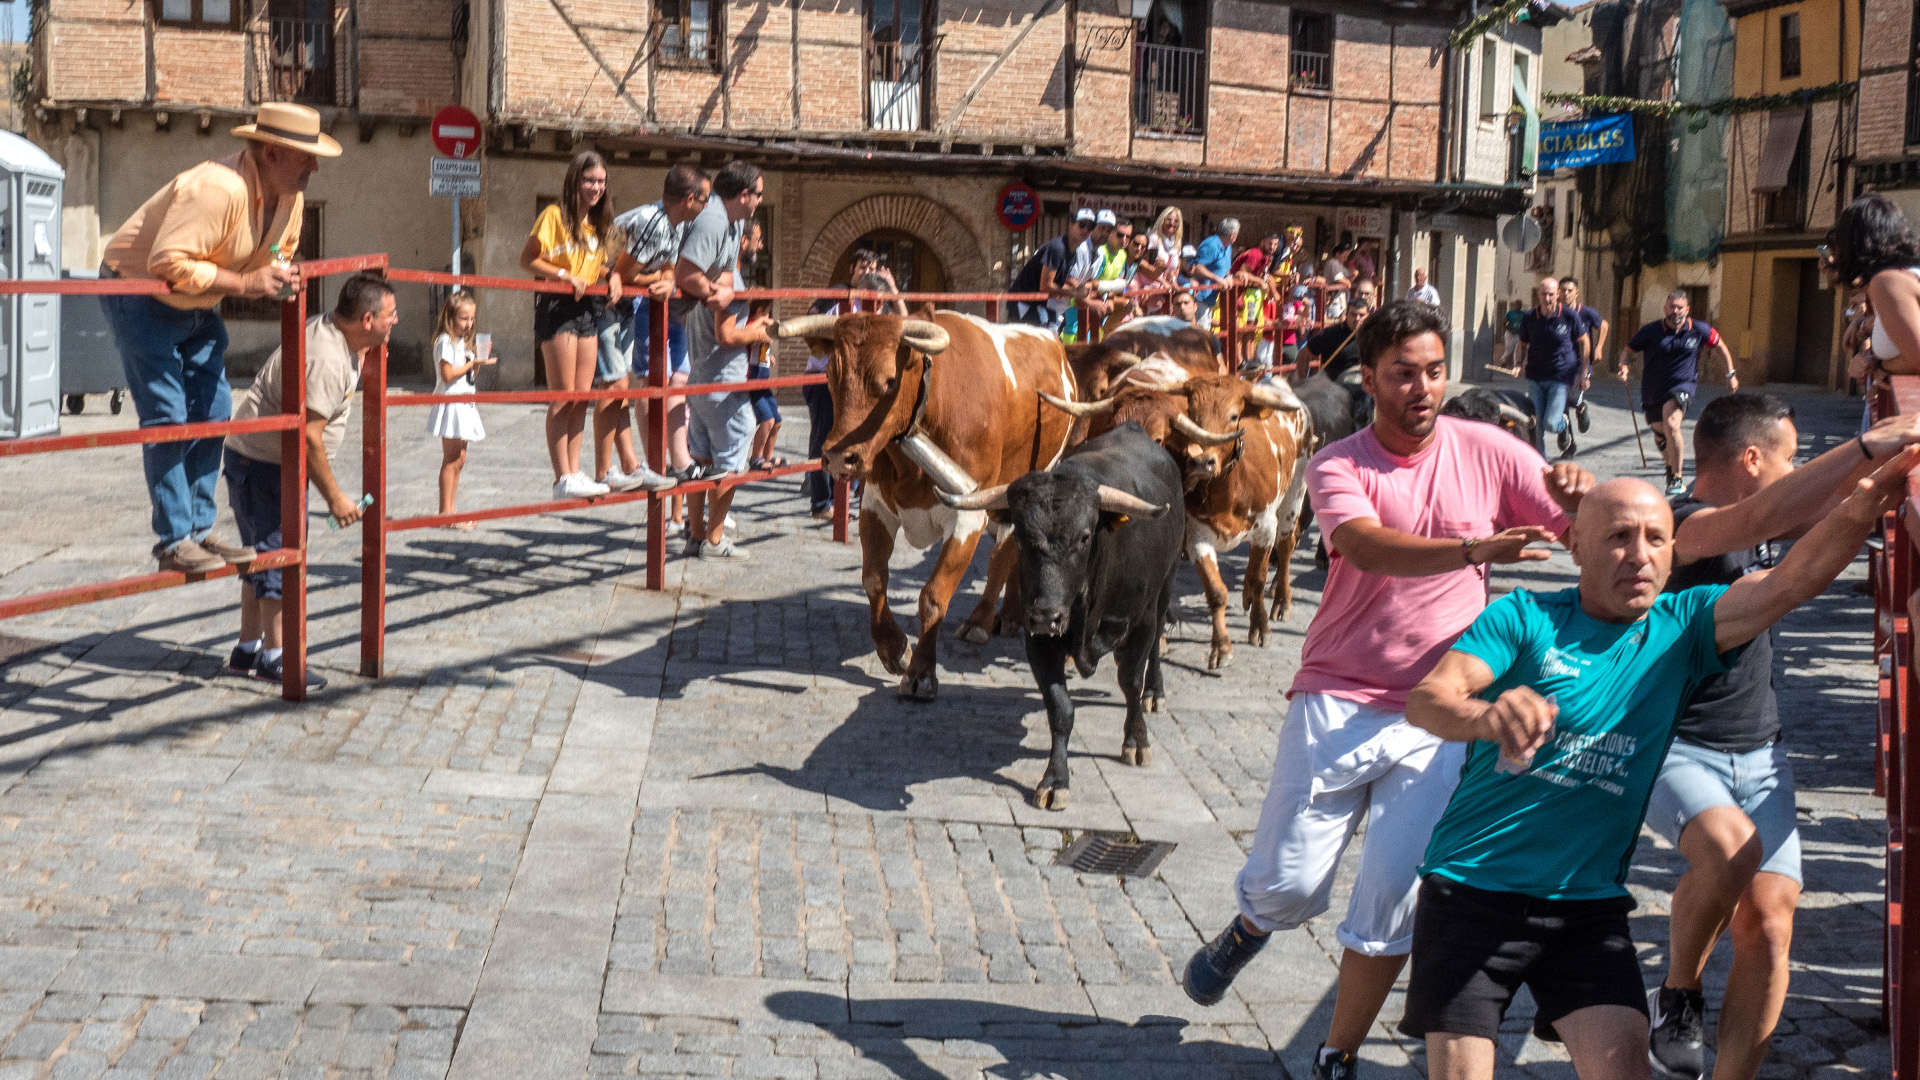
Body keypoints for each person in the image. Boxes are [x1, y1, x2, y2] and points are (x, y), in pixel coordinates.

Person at [1397, 451, 1915, 1079]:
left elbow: (1789, 583)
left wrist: (1859, 509)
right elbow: (1428, 701)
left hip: (1584, 907)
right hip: (1473, 893)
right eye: (1617, 537)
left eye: (1655, 539)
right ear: (1578, 548)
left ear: (1674, 554)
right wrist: (1486, 717)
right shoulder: (1525, 617)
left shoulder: (1684, 626)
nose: (1638, 554)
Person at [1182, 301, 1593, 1080]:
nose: (1422, 388)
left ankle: (1335, 1052)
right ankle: (1250, 926)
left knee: (1395, 893)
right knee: (1291, 884)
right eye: (1403, 374)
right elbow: (1366, 548)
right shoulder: (1340, 464)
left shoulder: (1492, 451)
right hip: (1339, 693)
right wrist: (1474, 547)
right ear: (1369, 380)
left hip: (1442, 708)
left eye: (1435, 372)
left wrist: (1580, 488)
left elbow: (1581, 530)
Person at [1637, 396, 1920, 1079]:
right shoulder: (1677, 523)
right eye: (1790, 456)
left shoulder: (1771, 520)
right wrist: (1866, 447)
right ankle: (1678, 991)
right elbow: (1758, 517)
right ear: (1753, 459)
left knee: (1769, 924)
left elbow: (1836, 521)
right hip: (1674, 746)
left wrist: (1893, 475)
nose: (1798, 471)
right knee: (1727, 853)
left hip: (1761, 753)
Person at [101, 101, 339, 575]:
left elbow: (279, 249)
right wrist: (248, 283)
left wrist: (276, 268)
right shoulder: (218, 189)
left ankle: (200, 531)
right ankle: (174, 540)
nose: (314, 165)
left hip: (198, 301)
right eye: (304, 155)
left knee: (214, 409)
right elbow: (166, 263)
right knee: (168, 415)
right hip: (140, 292)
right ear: (270, 153)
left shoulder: (287, 198)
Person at [221, 272, 396, 689]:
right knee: (278, 557)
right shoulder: (328, 360)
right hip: (265, 464)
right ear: (367, 319)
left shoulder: (338, 336)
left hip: (261, 459)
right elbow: (308, 437)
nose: (396, 321)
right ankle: (278, 657)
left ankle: (248, 648)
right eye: (391, 315)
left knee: (260, 555)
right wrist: (335, 498)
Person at [521, 150, 624, 500]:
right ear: (575, 181)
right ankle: (561, 478)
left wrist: (613, 277)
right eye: (589, 180)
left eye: (601, 181)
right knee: (563, 397)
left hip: (587, 310)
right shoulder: (553, 216)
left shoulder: (596, 225)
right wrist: (564, 274)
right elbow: (528, 259)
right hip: (557, 307)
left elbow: (593, 267)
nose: (595, 187)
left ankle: (575, 472)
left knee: (582, 397)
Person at [609, 164, 712, 501]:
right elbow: (621, 274)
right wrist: (658, 280)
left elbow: (666, 266)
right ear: (689, 199)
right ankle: (646, 462)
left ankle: (670, 461)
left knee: (669, 377)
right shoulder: (652, 223)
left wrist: (666, 278)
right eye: (704, 200)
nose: (707, 207)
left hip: (635, 304)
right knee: (637, 382)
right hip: (612, 305)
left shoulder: (674, 223)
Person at [684, 266, 774, 559]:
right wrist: (758, 331)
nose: (757, 246)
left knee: (701, 461)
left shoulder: (699, 277)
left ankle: (696, 535)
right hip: (725, 388)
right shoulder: (728, 279)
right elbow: (726, 335)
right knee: (729, 463)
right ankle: (714, 540)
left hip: (697, 383)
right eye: (756, 239)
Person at [1620, 289, 1735, 496]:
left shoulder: (1699, 329)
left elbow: (1720, 347)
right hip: (1653, 388)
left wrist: (1730, 373)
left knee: (1671, 423)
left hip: (1683, 385)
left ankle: (1677, 476)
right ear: (1665, 308)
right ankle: (1670, 465)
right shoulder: (1650, 331)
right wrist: (1624, 366)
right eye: (1672, 307)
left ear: (1687, 309)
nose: (1675, 311)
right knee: (1660, 433)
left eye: (1679, 307)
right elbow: (1628, 351)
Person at [1827, 193, 1920, 377]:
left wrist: (1879, 368)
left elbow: (1917, 359)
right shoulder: (1907, 273)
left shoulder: (1887, 282)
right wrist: (1861, 324)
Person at [426, 292, 492, 528]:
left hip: (464, 402)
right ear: (450, 317)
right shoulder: (446, 341)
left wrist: (477, 363)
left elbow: (468, 377)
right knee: (451, 458)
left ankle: (451, 510)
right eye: (464, 318)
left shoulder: (462, 344)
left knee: (460, 458)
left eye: (472, 318)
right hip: (452, 404)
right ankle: (445, 513)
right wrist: (470, 363)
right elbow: (447, 375)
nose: (469, 324)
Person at [1515, 276, 1590, 459]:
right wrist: (1517, 363)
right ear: (1537, 295)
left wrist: (1584, 372)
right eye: (1543, 294)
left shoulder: (1568, 316)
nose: (1547, 299)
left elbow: (1585, 341)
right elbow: (1522, 343)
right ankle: (1541, 464)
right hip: (1535, 377)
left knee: (1550, 423)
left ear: (1557, 294)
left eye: (1551, 295)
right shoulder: (1530, 317)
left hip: (1560, 377)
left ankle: (1562, 425)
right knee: (1536, 425)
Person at [1010, 210, 1091, 330]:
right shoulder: (1057, 248)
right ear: (1071, 226)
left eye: (1090, 227)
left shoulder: (1072, 252)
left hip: (1038, 305)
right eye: (1082, 224)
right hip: (1023, 303)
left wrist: (1080, 291)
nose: (1085, 230)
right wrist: (1075, 293)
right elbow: (1046, 286)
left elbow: (1064, 279)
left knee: (1051, 338)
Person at [1558, 277, 1608, 436]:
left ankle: (1581, 407)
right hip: (1561, 363)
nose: (1566, 294)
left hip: (1581, 363)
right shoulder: (1556, 312)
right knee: (1561, 402)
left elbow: (1604, 325)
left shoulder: (1586, 312)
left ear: (1576, 293)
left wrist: (1599, 347)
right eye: (1563, 290)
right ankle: (1567, 439)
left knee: (1572, 399)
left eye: (1569, 291)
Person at [1298, 288, 1373, 384]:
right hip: (1335, 389)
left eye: (1361, 315)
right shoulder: (1330, 334)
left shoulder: (1373, 336)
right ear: (1346, 315)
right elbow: (1303, 355)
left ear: (1368, 315)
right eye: (1353, 315)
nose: (1357, 319)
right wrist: (1303, 381)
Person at [1191, 219, 1237, 327]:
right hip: (1200, 298)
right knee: (1201, 334)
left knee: (1207, 332)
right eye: (1237, 234)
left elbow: (1226, 268)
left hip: (1211, 298)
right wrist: (1217, 278)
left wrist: (1229, 276)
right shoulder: (1211, 245)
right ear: (1231, 235)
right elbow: (1196, 267)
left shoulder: (1228, 247)